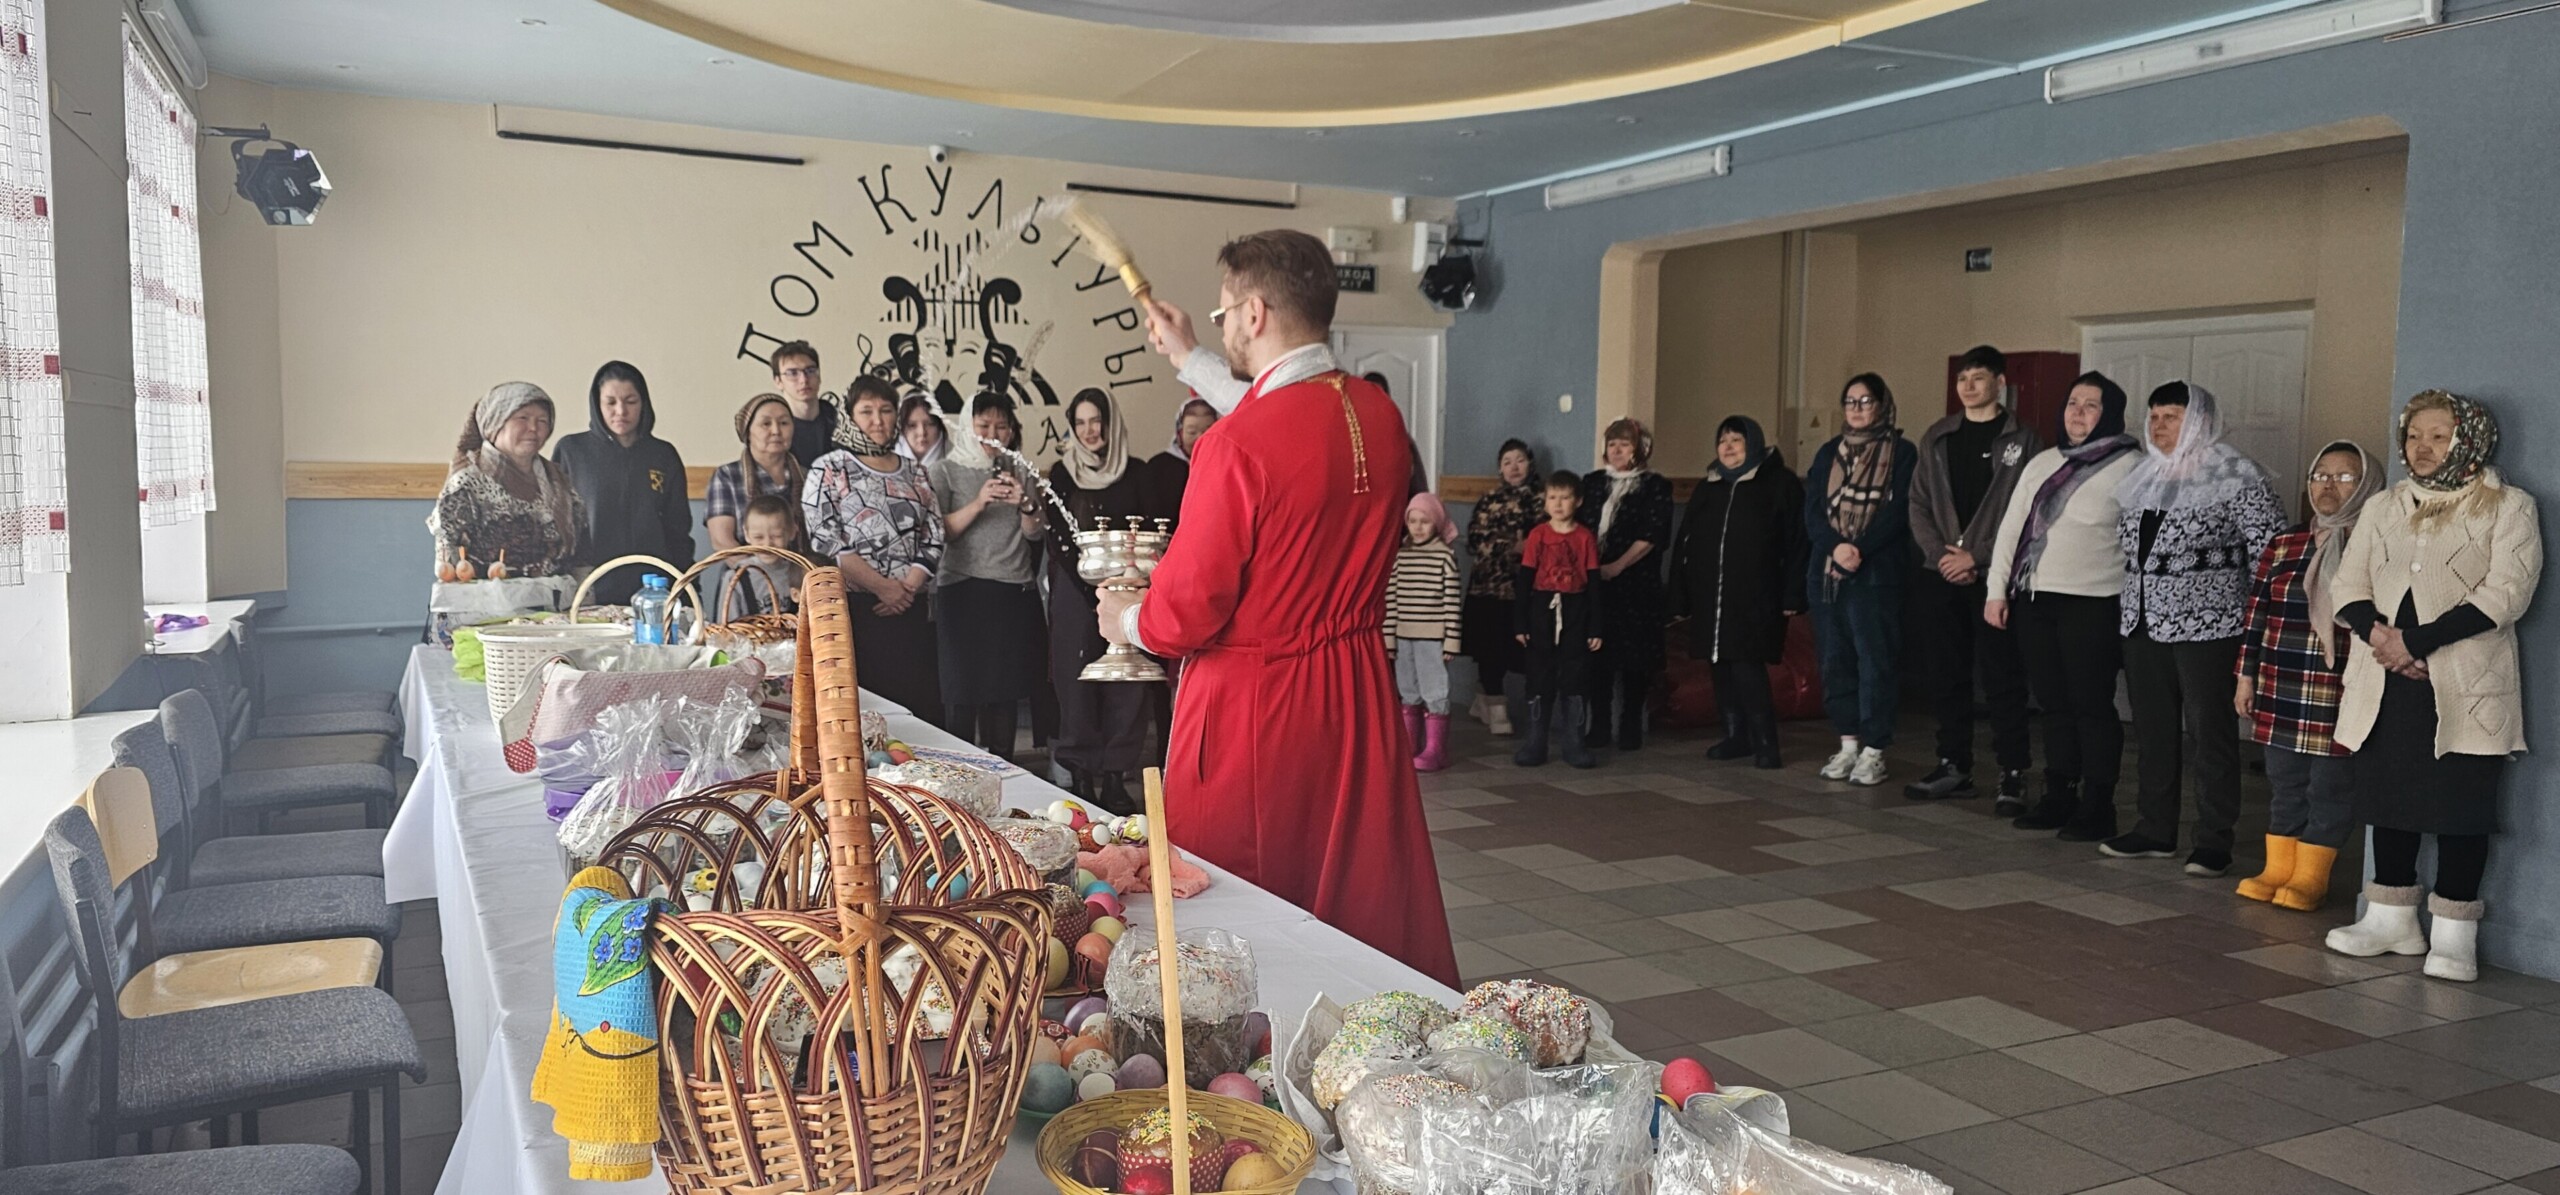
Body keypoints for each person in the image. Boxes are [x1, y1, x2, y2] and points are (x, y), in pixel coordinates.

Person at [1105, 229, 1458, 987]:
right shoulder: (1376, 413)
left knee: (1239, 909)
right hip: (1354, 685)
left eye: (1225, 313)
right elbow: (1290, 427)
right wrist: (1189, 355)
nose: (1224, 326)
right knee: (1357, 893)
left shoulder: (1232, 447)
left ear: (1255, 313)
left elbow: (1183, 617)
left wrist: (1128, 619)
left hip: (1258, 705)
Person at [2327, 392, 2540, 983]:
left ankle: (2453, 936)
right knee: (2388, 798)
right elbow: (2348, 586)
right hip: (2385, 677)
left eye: (2439, 436)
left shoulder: (2509, 505)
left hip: (2464, 684)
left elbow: (2508, 592)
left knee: (2460, 808)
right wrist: (2383, 639)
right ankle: (2391, 919)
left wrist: (2417, 643)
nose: (2423, 447)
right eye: (2415, 435)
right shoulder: (2384, 506)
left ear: (2468, 440)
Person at [2106, 382, 2287, 877]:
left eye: (2172, 416)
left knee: (2211, 734)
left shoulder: (2236, 473)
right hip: (2142, 622)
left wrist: (2258, 622)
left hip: (2210, 625)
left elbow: (2270, 549)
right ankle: (2154, 829)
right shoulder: (2145, 475)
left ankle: (2213, 839)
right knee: (2153, 730)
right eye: (2154, 417)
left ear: (2200, 422)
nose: (2160, 426)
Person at [1984, 373, 2140, 840]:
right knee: (2053, 704)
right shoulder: (2044, 462)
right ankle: (2059, 794)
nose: (2078, 412)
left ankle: (2098, 804)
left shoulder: (2132, 466)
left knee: (2091, 705)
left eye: (2091, 405)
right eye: (2073, 402)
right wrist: (1996, 590)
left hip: (2095, 602)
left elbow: (2140, 545)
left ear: (2110, 414)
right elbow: (2012, 527)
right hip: (2035, 598)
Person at [2229, 440, 2381, 912]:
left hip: (2340, 687)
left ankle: (2312, 876)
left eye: (2344, 477)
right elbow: (2256, 614)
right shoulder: (2285, 543)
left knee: (2330, 785)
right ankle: (2278, 868)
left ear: (2368, 485)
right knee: (2285, 780)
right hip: (2282, 681)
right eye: (2320, 476)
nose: (2328, 486)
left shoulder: (2376, 543)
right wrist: (2245, 677)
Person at [1906, 346, 2040, 809]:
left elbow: (2027, 513)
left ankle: (2013, 772)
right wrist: (1941, 555)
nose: (1967, 387)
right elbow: (1918, 503)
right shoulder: (1938, 436)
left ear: (2000, 383)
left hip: (1993, 576)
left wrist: (1976, 557)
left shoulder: (2023, 439)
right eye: (1962, 379)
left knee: (2002, 676)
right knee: (1947, 674)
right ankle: (1953, 764)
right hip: (1940, 571)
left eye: (1978, 378)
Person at [1668, 415, 1806, 769]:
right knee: (1720, 665)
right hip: (1710, 596)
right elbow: (1685, 542)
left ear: (1753, 444)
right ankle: (1735, 736)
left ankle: (1765, 742)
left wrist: (1793, 593)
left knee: (1747, 665)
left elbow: (1797, 543)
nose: (1728, 447)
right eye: (1723, 440)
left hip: (1756, 596)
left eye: (1736, 440)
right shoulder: (1708, 487)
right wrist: (1680, 593)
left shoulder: (1780, 484)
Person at [803, 376, 945, 719]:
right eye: (866, 411)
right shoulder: (829, 467)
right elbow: (826, 538)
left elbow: (934, 532)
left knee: (918, 708)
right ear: (850, 416)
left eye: (886, 410)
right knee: (864, 712)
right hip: (856, 608)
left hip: (911, 606)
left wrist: (906, 589)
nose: (878, 420)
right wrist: (882, 588)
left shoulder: (914, 471)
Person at [1047, 387, 1160, 812]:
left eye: (1096, 421)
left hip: (1129, 591)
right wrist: (1091, 588)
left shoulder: (1138, 473)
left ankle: (1115, 776)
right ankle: (1081, 777)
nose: (1089, 430)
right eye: (1080, 423)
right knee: (1076, 682)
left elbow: (1150, 535)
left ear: (1110, 424)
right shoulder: (1062, 474)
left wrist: (1120, 588)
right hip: (1076, 594)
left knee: (1126, 683)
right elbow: (1058, 538)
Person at [1804, 374, 1917, 788]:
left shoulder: (1902, 452)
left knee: (1875, 660)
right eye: (1850, 401)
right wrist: (1836, 546)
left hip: (1876, 572)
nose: (1857, 408)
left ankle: (1874, 750)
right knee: (1834, 659)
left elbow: (1900, 511)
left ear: (1882, 405)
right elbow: (1813, 510)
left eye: (1866, 400)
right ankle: (1848, 742)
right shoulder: (1827, 452)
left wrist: (1859, 549)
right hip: (1828, 570)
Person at [930, 393, 1049, 760]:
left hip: (1011, 589)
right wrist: (979, 501)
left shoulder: (1020, 469)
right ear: (968, 427)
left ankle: (1005, 769)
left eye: (1001, 427)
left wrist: (1026, 504)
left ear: (1012, 431)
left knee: (1004, 692)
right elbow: (940, 532)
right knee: (961, 693)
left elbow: (1034, 533)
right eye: (983, 425)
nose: (992, 434)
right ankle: (959, 771)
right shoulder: (944, 470)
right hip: (962, 591)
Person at [551, 361, 694, 605]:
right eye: (611, 402)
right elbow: (558, 525)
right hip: (590, 587)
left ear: (643, 403)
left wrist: (686, 584)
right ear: (597, 404)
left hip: (654, 588)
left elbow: (678, 528)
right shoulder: (572, 450)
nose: (621, 411)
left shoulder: (663, 454)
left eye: (630, 401)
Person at [1579, 419, 1674, 753]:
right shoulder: (1592, 482)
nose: (1616, 450)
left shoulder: (1655, 486)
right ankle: (1599, 725)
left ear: (1640, 449)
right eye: (1612, 444)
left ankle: (1631, 724)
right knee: (1597, 655)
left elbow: (1653, 533)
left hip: (1637, 583)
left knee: (1635, 659)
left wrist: (1617, 566)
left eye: (1624, 444)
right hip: (1595, 583)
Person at [429, 381, 585, 580]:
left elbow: (582, 558)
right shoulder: (467, 483)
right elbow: (448, 566)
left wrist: (584, 598)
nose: (533, 428)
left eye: (542, 421)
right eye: (522, 418)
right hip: (485, 598)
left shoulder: (559, 482)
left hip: (557, 598)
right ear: (495, 423)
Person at [1514, 472, 1604, 770]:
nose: (1558, 503)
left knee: (1575, 678)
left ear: (1577, 501)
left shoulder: (1585, 537)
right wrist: (1521, 623)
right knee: (1539, 676)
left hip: (1576, 611)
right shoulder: (1538, 535)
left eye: (1565, 498)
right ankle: (1535, 743)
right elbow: (1524, 582)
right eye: (1552, 497)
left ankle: (1574, 744)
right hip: (1541, 611)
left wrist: (1595, 627)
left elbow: (1594, 586)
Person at [1462, 440, 1541, 737]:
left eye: (1520, 460)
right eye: (1507, 462)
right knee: (1488, 649)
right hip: (1488, 588)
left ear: (1530, 463)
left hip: (1526, 589)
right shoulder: (1489, 500)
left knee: (1522, 651)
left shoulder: (1543, 499)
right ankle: (1494, 703)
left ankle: (1488, 700)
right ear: (1500, 468)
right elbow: (1475, 540)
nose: (1514, 467)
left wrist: (1528, 547)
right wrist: (1512, 546)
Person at [1388, 492, 1465, 772]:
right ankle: (1411, 743)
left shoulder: (1444, 557)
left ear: (1437, 523)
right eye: (1413, 521)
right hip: (1403, 635)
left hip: (1433, 637)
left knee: (1434, 689)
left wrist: (1451, 641)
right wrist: (1389, 638)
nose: (1418, 527)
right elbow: (1391, 599)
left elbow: (1452, 602)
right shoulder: (1401, 556)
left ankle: (1436, 749)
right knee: (1408, 689)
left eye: (1425, 521)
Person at [705, 393, 807, 553]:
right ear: (747, 432)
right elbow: (722, 541)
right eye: (766, 424)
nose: (776, 431)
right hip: (745, 566)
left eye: (784, 423)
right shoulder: (727, 476)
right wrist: (754, 567)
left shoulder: (809, 476)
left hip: (803, 566)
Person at [710, 493, 805, 616]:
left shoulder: (801, 573)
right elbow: (726, 626)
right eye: (759, 537)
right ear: (747, 535)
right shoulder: (736, 579)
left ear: (792, 531)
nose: (767, 544)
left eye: (777, 536)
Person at [1146, 397, 1221, 518]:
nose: (1200, 439)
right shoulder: (1159, 467)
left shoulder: (1226, 466)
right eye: (1192, 432)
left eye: (1208, 431)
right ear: (1179, 433)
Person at [769, 340, 838, 468]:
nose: (804, 380)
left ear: (819, 376)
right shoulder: (771, 430)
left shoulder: (840, 421)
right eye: (792, 373)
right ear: (778, 382)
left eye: (810, 370)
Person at [895, 392, 949, 469]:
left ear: (939, 427)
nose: (922, 432)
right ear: (901, 430)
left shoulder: (959, 465)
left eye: (930, 424)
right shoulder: (884, 467)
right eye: (912, 425)